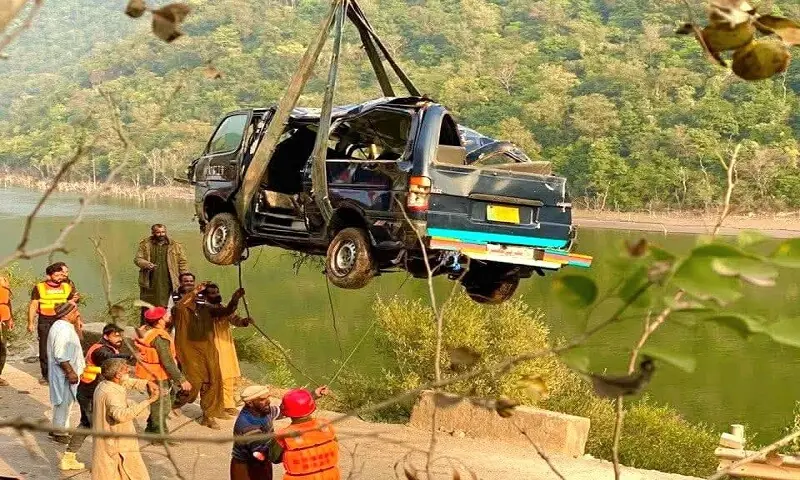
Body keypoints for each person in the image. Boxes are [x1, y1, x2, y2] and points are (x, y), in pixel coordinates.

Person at [60, 323, 133, 471]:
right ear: (106, 336)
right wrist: (130, 356)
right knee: (99, 428)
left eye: (121, 335)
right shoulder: (100, 350)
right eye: (116, 335)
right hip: (89, 393)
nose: (119, 338)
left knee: (87, 424)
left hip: (90, 391)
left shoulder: (106, 347)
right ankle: (103, 464)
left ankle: (69, 457)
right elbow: (110, 358)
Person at [172, 281, 243, 429]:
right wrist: (194, 291)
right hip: (190, 353)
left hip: (208, 351)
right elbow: (179, 306)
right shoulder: (182, 311)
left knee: (212, 382)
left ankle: (208, 415)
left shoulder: (207, 310)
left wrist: (235, 299)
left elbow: (227, 311)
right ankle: (174, 402)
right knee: (194, 384)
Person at [91, 358, 160, 480]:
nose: (129, 370)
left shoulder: (105, 384)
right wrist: (148, 401)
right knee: (129, 473)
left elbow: (126, 382)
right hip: (116, 444)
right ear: (117, 375)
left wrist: (147, 383)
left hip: (109, 441)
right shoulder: (112, 393)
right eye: (125, 370)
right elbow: (121, 415)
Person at [244, 386, 333, 479]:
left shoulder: (284, 435)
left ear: (285, 411)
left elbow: (274, 457)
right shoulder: (326, 425)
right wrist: (311, 396)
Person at [135, 306, 191, 436]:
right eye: (166, 316)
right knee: (162, 407)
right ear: (159, 320)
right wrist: (181, 379)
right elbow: (168, 362)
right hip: (157, 375)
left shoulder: (144, 330)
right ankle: (159, 435)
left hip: (147, 372)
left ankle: (151, 428)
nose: (169, 317)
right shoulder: (159, 338)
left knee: (163, 401)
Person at [205, 283, 252, 415]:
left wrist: (244, 322)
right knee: (220, 376)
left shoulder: (221, 306)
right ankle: (224, 404)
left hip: (226, 345)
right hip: (214, 345)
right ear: (206, 295)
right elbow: (227, 312)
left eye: (217, 292)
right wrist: (235, 299)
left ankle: (228, 401)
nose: (216, 295)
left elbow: (233, 318)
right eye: (212, 293)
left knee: (230, 375)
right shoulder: (205, 309)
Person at [28, 262, 78, 384]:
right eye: (57, 275)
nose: (60, 277)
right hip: (45, 319)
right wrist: (30, 322)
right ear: (49, 275)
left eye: (61, 275)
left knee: (63, 345)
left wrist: (77, 321)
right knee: (45, 347)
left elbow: (73, 303)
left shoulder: (67, 286)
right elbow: (33, 305)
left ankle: (65, 372)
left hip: (62, 320)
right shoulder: (39, 287)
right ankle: (46, 375)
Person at [135, 224, 189, 325]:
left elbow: (182, 262)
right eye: (158, 232)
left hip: (169, 281)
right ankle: (146, 328)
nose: (161, 234)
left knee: (168, 305)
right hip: (149, 282)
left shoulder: (175, 246)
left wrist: (185, 278)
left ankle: (165, 327)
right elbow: (138, 259)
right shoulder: (145, 244)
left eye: (163, 232)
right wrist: (146, 264)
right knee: (148, 305)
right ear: (153, 233)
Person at [46, 302, 84, 445]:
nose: (78, 314)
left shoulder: (65, 326)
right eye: (75, 312)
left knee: (63, 402)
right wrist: (70, 372)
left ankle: (57, 427)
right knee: (63, 402)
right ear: (67, 314)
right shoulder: (62, 329)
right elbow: (60, 355)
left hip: (65, 372)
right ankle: (60, 432)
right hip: (64, 373)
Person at [230, 385, 282, 480]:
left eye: (268, 397)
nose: (268, 401)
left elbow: (284, 410)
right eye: (262, 399)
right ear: (250, 403)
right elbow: (270, 455)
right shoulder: (248, 426)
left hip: (261, 462)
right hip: (247, 469)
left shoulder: (263, 411)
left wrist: (314, 394)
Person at [0, 276, 13, 387]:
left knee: (2, 347)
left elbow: (8, 301)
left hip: (4, 317)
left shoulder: (4, 280)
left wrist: (10, 318)